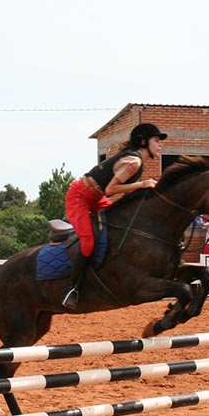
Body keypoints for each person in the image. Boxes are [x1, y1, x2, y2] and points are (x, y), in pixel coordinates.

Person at [61, 123, 166, 308]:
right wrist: (141, 185)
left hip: (97, 197)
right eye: (156, 141)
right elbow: (111, 189)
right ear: (143, 142)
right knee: (88, 243)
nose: (160, 145)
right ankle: (72, 289)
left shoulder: (137, 162)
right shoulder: (134, 162)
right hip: (80, 196)